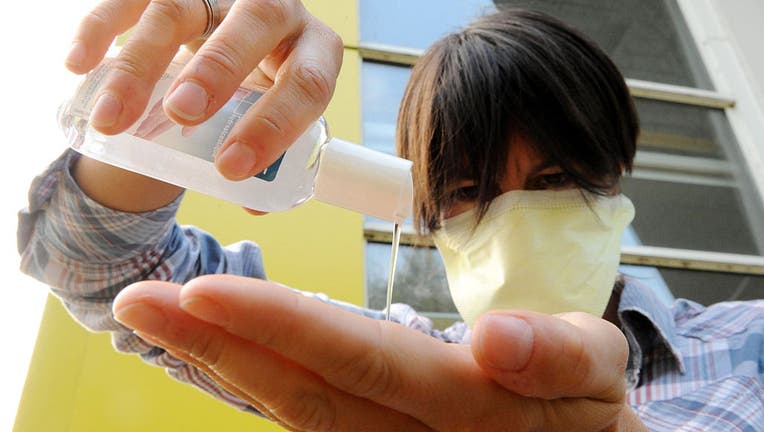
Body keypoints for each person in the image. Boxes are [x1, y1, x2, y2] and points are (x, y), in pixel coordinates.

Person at [17, 1, 763, 431]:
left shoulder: (751, 343)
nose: (518, 219)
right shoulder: (398, 367)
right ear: (426, 211)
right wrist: (180, 106)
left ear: (614, 175)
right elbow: (107, 269)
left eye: (556, 177)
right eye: (469, 193)